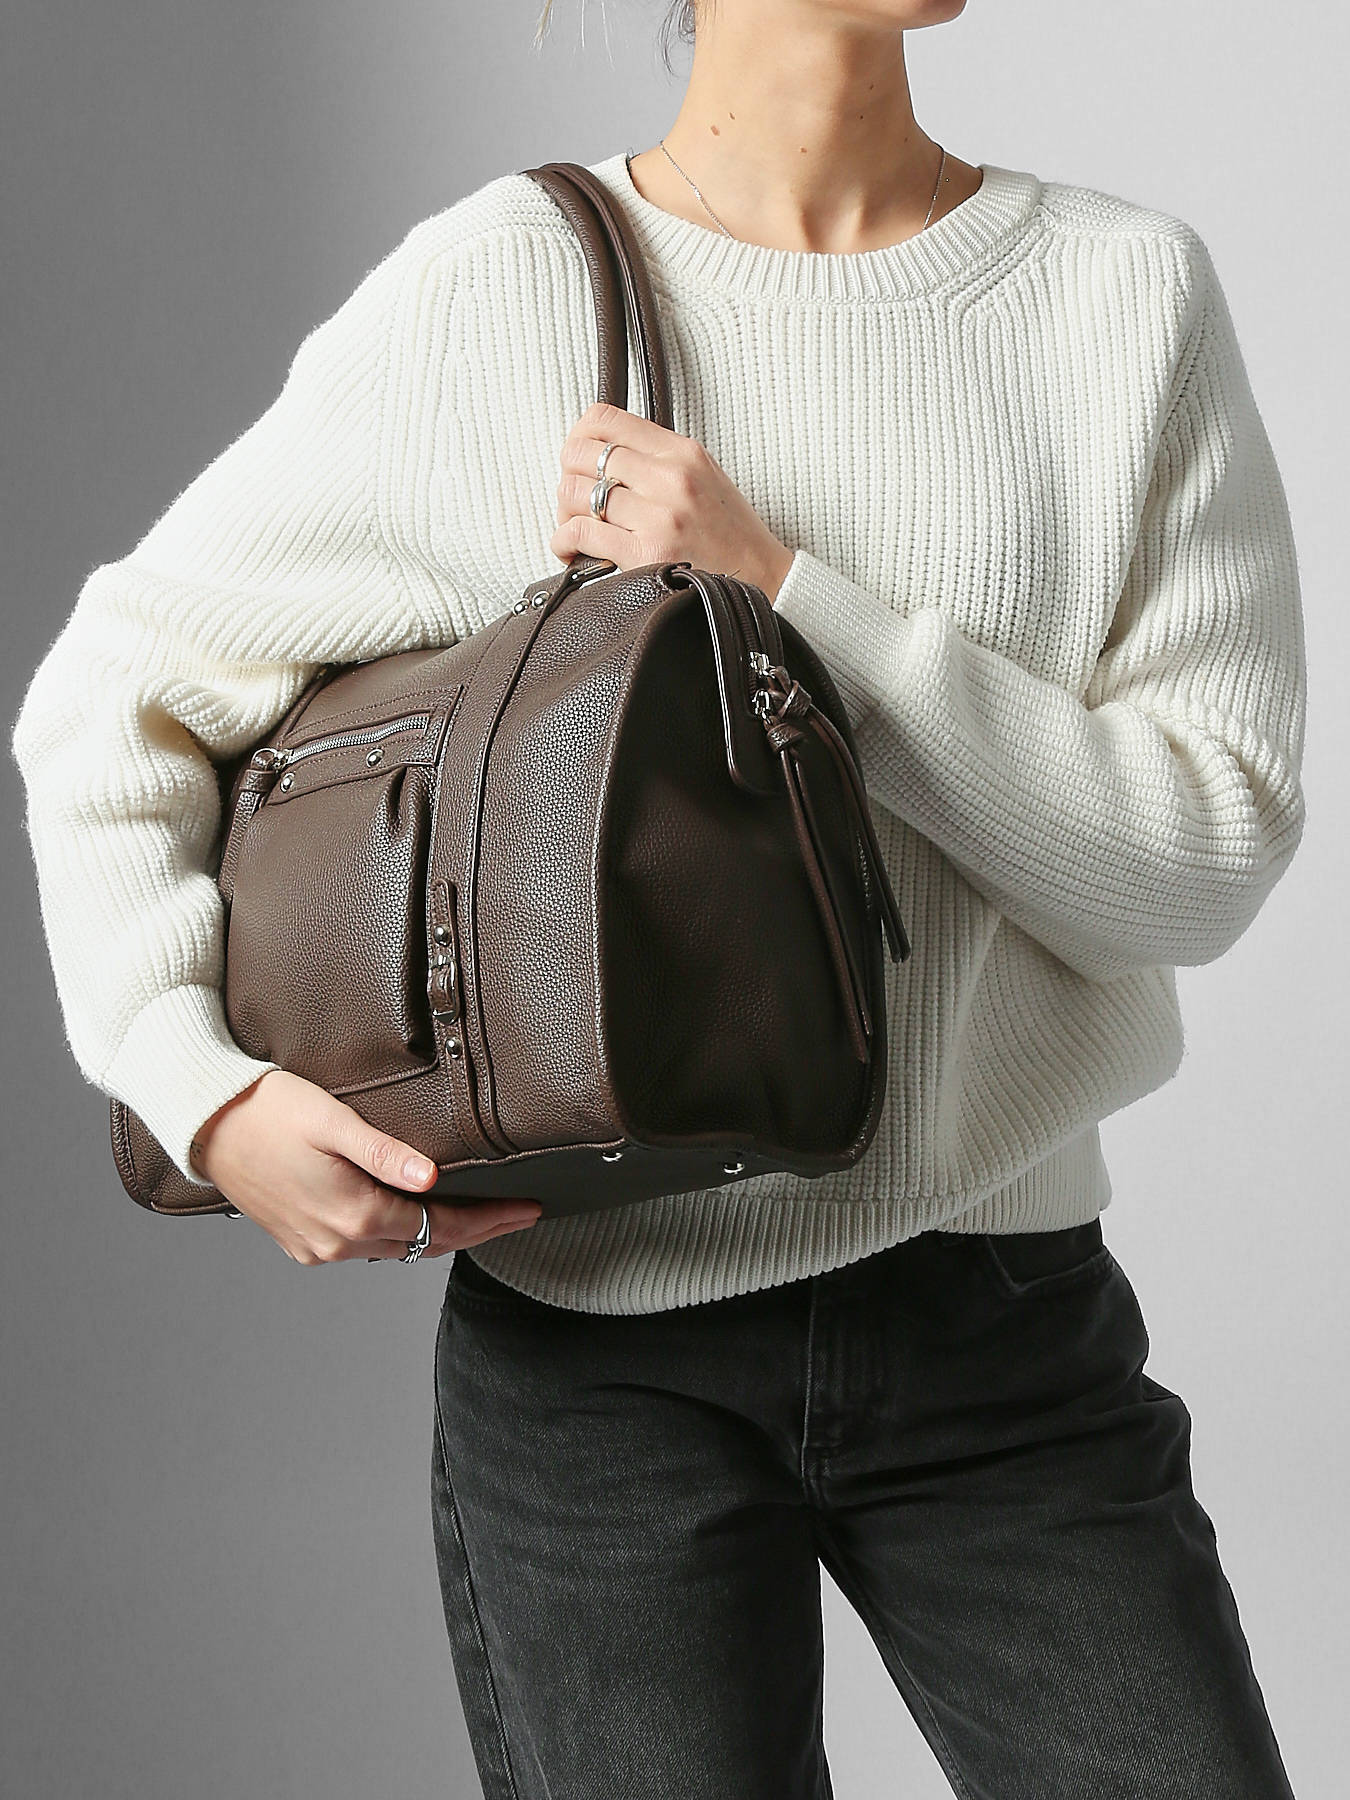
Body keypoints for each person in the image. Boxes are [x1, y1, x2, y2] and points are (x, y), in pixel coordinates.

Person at [10, 1, 1307, 1794]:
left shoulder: (1116, 295)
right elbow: (117, 694)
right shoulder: (501, 293)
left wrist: (787, 599)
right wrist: (197, 1091)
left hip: (1001, 1322)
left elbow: (1201, 860)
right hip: (596, 1363)